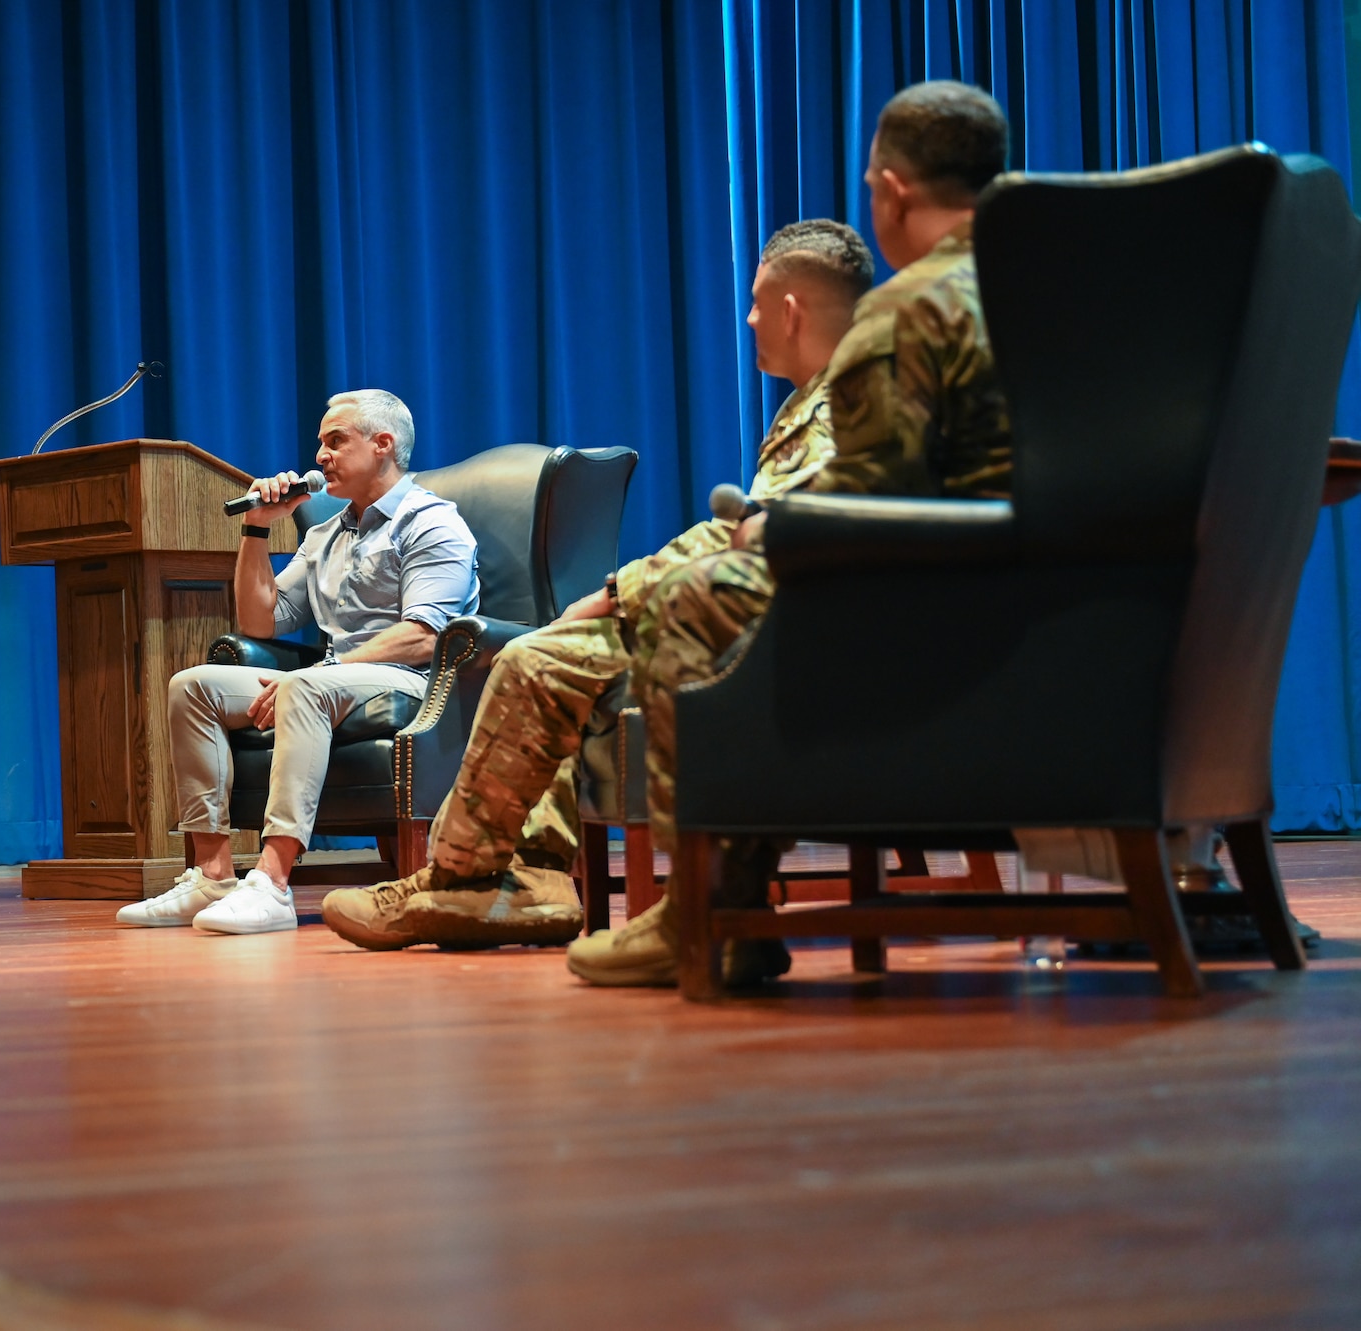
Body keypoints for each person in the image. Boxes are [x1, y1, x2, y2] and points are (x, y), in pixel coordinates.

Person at [564, 78, 1015, 987]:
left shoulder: (903, 312)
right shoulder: (1057, 284)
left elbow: (875, 516)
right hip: (1056, 608)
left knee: (689, 600)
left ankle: (705, 910)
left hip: (936, 625)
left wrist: (768, 533)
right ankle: (731, 905)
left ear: (889, 190)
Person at [318, 219, 876, 951]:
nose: (747, 318)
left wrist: (621, 595)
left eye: (757, 302)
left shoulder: (852, 400)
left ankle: (473, 880)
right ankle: (519, 878)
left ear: (793, 309)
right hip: (751, 608)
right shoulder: (812, 401)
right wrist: (623, 589)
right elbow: (747, 527)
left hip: (781, 625)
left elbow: (777, 535)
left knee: (542, 656)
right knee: (543, 659)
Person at [115, 389, 479, 935]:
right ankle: (211, 875)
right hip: (335, 679)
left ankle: (272, 882)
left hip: (411, 684)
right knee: (194, 685)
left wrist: (312, 676)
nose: (319, 457)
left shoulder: (432, 523)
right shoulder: (323, 534)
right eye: (320, 444)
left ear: (383, 445)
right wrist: (257, 528)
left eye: (336, 442)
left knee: (304, 688)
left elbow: (423, 636)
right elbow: (261, 621)